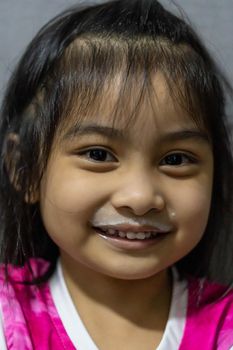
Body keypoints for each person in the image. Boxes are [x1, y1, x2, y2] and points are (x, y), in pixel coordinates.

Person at [0, 0, 233, 349]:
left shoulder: (223, 326)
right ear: (26, 168)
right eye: (98, 154)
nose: (140, 198)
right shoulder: (7, 317)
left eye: (176, 159)